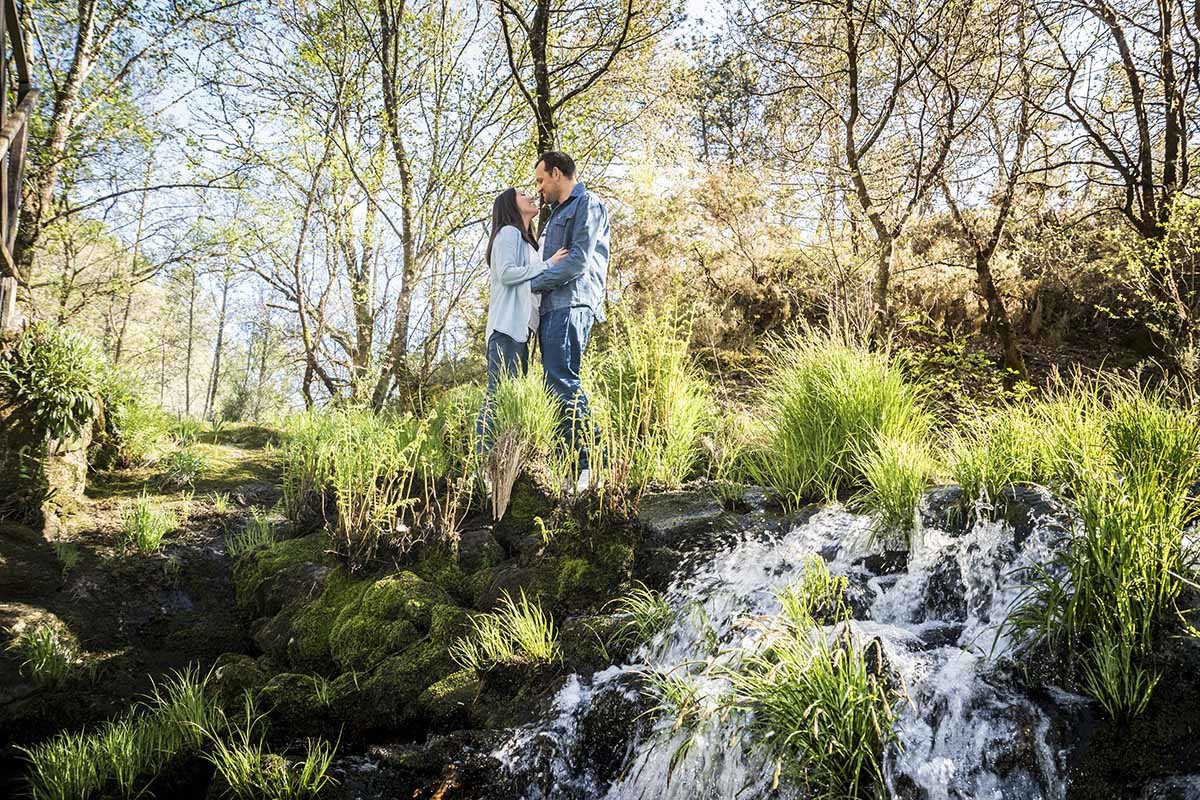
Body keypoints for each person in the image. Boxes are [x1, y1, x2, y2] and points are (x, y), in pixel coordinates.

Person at [529, 151, 610, 490]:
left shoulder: (586, 204)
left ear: (558, 174)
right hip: (553, 307)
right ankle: (568, 469)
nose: (539, 187)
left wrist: (531, 283)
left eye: (541, 179)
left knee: (563, 380)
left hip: (571, 302)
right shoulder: (555, 214)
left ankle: (587, 467)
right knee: (554, 387)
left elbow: (578, 261)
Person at [476, 187, 567, 452]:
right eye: (522, 194)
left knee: (510, 396)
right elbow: (506, 274)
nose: (530, 195)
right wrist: (548, 264)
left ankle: (503, 459)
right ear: (510, 205)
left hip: (520, 331)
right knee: (498, 394)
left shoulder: (526, 241)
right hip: (506, 329)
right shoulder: (508, 233)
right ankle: (484, 460)